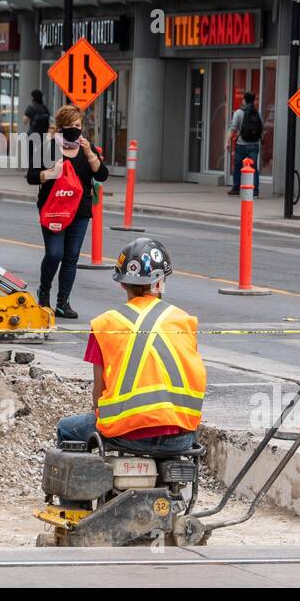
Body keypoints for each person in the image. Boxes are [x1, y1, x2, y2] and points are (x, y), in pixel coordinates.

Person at [56, 237, 206, 453]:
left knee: (66, 429)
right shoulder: (184, 320)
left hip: (124, 435)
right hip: (180, 437)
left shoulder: (105, 324)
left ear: (122, 282)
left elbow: (98, 393)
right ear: (160, 281)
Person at [27, 104, 108, 319]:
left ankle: (63, 302)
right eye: (71, 125)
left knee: (71, 257)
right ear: (61, 127)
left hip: (80, 210)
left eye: (78, 125)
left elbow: (102, 176)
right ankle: (44, 294)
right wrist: (49, 174)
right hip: (54, 209)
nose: (75, 129)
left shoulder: (85, 148)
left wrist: (90, 153)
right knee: (54, 254)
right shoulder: (48, 148)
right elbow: (31, 176)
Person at [227, 92, 263, 195]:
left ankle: (236, 188)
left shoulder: (238, 113)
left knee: (238, 166)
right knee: (254, 167)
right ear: (254, 101)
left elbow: (233, 128)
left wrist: (228, 141)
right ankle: (255, 191)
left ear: (244, 100)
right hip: (254, 144)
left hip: (241, 144)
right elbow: (262, 127)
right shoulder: (257, 113)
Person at [23, 89, 51, 167]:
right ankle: (40, 169)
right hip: (43, 134)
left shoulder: (30, 107)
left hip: (32, 133)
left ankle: (30, 170)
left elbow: (25, 121)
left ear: (33, 98)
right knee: (41, 152)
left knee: (30, 152)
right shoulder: (45, 108)